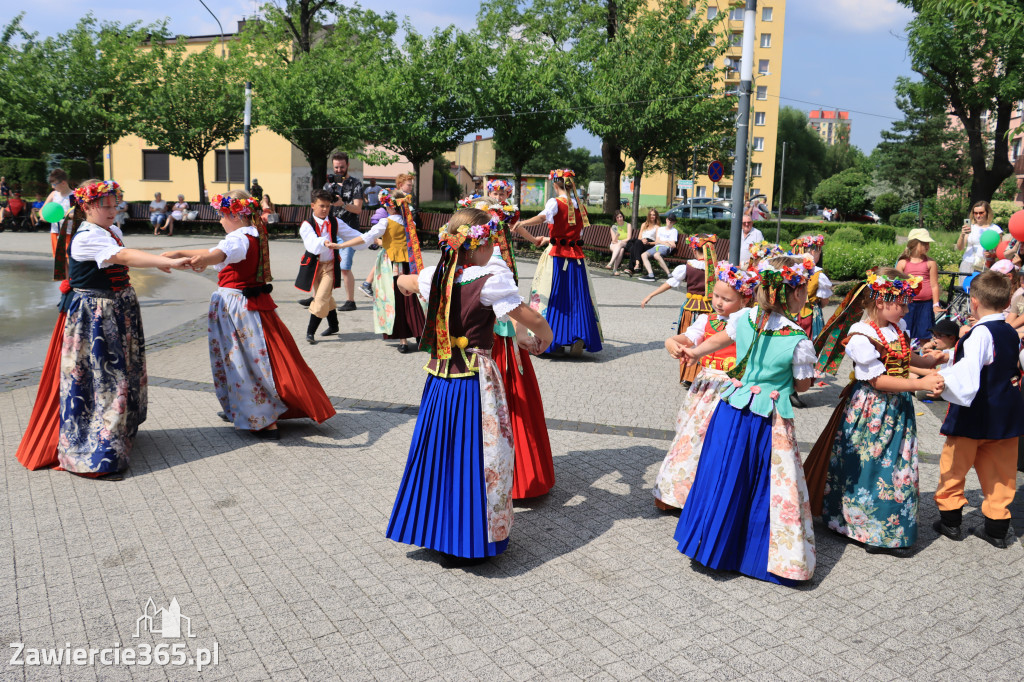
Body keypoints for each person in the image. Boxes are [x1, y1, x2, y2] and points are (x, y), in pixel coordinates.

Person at [385, 208, 553, 559]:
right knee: (481, 453)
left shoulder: (437, 275)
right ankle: (472, 538)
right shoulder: (489, 281)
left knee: (440, 453)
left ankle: (436, 531)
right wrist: (545, 337)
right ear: (478, 247)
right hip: (476, 382)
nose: (494, 247)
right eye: (491, 241)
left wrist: (405, 286)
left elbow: (405, 282)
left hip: (440, 381)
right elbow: (531, 316)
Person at [16, 180, 190, 478]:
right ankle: (98, 448)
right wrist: (160, 260)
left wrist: (157, 261)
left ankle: (119, 431)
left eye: (115, 204)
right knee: (102, 378)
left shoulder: (109, 231)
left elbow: (123, 255)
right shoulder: (85, 237)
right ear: (85, 207)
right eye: (105, 206)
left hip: (116, 310)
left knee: (122, 371)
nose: (113, 210)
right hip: (96, 315)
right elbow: (121, 256)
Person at [676, 254, 818, 584]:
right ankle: (752, 553)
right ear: (794, 294)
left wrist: (694, 352)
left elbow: (720, 339)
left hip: (731, 409)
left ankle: (709, 543)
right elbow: (802, 386)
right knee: (764, 483)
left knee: (723, 473)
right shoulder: (797, 338)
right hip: (767, 419)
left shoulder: (745, 318)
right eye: (804, 291)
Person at [160, 190, 336, 439]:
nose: (220, 220)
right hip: (249, 304)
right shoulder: (252, 233)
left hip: (237, 307)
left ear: (235, 215)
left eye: (222, 215)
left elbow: (219, 254)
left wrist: (200, 259)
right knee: (252, 359)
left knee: (242, 361)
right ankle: (243, 407)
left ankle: (262, 418)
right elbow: (220, 250)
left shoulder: (239, 238)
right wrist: (182, 253)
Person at [802, 269, 945, 553]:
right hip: (871, 409)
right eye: (902, 301)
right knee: (869, 466)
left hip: (895, 408)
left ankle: (881, 528)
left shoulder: (897, 327)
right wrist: (920, 383)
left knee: (893, 466)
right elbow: (877, 379)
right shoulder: (861, 335)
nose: (907, 307)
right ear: (880, 301)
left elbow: (904, 358)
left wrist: (929, 362)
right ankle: (860, 526)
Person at [652, 262, 758, 511]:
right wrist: (671, 341)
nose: (719, 303)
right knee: (691, 438)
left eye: (727, 299)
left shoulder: (747, 322)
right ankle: (677, 494)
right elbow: (688, 338)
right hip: (705, 390)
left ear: (744, 300)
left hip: (732, 391)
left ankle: (709, 498)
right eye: (716, 296)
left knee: (718, 442)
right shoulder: (706, 320)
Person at [932, 270, 1024, 548]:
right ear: (1008, 301)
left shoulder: (979, 333)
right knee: (1001, 475)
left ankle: (951, 523)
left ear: (973, 301)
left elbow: (969, 372)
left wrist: (941, 383)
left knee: (954, 469)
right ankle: (996, 529)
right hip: (1004, 419)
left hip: (973, 416)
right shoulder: (1011, 332)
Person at [514, 169, 603, 356]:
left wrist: (523, 223)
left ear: (555, 185)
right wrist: (550, 238)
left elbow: (543, 217)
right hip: (576, 258)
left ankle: (554, 339)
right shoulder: (580, 205)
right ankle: (579, 336)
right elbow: (578, 235)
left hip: (557, 257)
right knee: (577, 297)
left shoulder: (555, 202)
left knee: (553, 295)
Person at [335, 189, 425, 353]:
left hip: (392, 266)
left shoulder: (386, 222)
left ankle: (403, 340)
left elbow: (366, 238)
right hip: (410, 265)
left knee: (395, 299)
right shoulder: (410, 222)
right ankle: (420, 336)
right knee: (413, 300)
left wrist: (341, 245)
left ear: (389, 207)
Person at [295, 190, 371, 344]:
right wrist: (323, 242)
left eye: (328, 206)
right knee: (326, 297)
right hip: (315, 267)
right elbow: (311, 244)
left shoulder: (335, 221)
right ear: (313, 206)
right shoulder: (306, 225)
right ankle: (334, 326)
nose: (325, 209)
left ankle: (310, 332)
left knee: (321, 297)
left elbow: (352, 234)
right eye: (321, 206)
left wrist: (372, 240)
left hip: (330, 266)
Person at [641, 234, 717, 384]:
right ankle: (702, 375)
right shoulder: (716, 267)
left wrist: (650, 295)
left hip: (690, 309)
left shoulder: (687, 267)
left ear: (694, 250)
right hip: (709, 310)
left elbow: (670, 283)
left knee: (687, 340)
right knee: (705, 342)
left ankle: (689, 375)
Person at [361, 173, 417, 299]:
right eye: (409, 185)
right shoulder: (393, 201)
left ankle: (367, 283)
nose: (411, 187)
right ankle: (367, 283)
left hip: (398, 249)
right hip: (395, 246)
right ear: (400, 185)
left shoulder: (403, 203)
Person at [323, 152, 364, 311]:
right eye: (336, 167)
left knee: (345, 267)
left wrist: (343, 204)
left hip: (349, 232)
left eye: (341, 167)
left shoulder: (356, 184)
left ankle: (350, 301)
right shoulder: (328, 185)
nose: (338, 170)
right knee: (324, 265)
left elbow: (358, 209)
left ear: (347, 165)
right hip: (331, 231)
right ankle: (317, 296)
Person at [896, 228, 942, 342]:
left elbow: (934, 285)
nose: (928, 246)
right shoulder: (903, 263)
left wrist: (936, 304)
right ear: (914, 244)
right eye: (924, 243)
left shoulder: (930, 263)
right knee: (904, 335)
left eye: (928, 244)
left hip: (925, 305)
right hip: (907, 304)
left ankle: (924, 358)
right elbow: (897, 285)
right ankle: (906, 358)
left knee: (925, 336)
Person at [790, 235, 832, 341]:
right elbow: (825, 300)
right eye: (819, 252)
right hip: (810, 313)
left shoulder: (791, 270)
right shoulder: (818, 274)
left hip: (791, 311)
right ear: (813, 252)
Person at [956, 201, 1002, 284]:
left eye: (981, 213)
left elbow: (1000, 252)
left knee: (982, 292)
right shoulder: (970, 228)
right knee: (964, 289)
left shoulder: (995, 229)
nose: (978, 215)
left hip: (986, 264)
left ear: (987, 213)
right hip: (968, 262)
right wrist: (962, 235)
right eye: (975, 213)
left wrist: (991, 255)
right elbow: (960, 248)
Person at [638, 214, 679, 281]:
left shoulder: (674, 231)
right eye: (669, 220)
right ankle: (651, 275)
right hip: (657, 246)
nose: (670, 222)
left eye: (672, 221)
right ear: (666, 220)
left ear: (674, 222)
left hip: (665, 248)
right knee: (643, 255)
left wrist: (663, 242)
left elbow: (673, 244)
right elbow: (657, 241)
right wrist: (666, 241)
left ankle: (669, 274)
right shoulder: (660, 229)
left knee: (656, 255)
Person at [44, 168, 73, 255]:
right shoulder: (53, 194)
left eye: (54, 184)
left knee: (69, 260)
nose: (52, 187)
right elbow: (43, 209)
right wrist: (44, 216)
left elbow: (80, 214)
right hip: (55, 232)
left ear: (63, 183)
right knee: (59, 262)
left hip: (69, 232)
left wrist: (65, 215)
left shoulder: (74, 196)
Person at [622, 209, 660, 276]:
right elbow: (639, 237)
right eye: (650, 214)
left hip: (650, 244)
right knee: (637, 243)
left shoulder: (657, 227)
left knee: (635, 246)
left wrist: (648, 243)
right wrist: (642, 240)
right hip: (641, 242)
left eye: (653, 215)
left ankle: (632, 268)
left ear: (656, 216)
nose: (652, 216)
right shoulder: (644, 225)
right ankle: (637, 265)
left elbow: (657, 242)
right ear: (648, 216)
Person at [606, 210, 633, 274]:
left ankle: (610, 263)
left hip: (624, 242)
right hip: (615, 244)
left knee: (620, 245)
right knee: (621, 250)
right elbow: (614, 241)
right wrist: (617, 236)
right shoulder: (614, 227)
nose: (619, 218)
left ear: (623, 217)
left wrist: (620, 242)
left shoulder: (628, 225)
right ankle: (615, 270)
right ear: (615, 218)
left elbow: (629, 238)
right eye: (617, 217)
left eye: (620, 216)